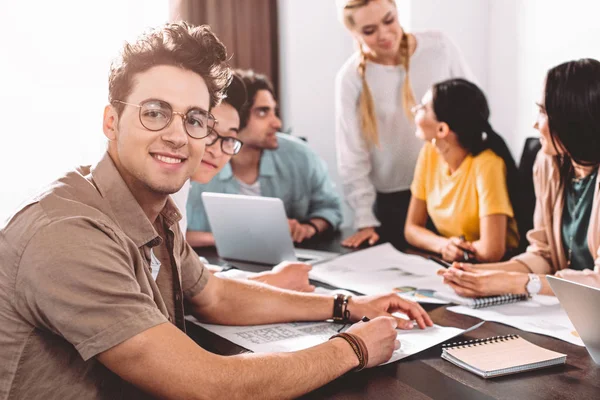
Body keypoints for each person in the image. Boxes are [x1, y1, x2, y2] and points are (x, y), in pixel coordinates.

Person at [0, 22, 434, 399]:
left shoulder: (155, 212)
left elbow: (216, 296)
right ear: (111, 122)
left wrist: (345, 305)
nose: (177, 135)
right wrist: (353, 349)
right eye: (154, 113)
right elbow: (208, 385)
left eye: (194, 119)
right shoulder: (67, 233)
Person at [439, 59, 600, 298]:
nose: (535, 123)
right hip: (566, 310)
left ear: (572, 118)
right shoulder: (548, 163)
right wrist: (480, 273)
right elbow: (543, 253)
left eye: (544, 112)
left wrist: (519, 283)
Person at [335, 0, 475, 249]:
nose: (384, 34)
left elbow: (473, 107)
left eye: (389, 20)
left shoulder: (439, 47)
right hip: (393, 201)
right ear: (354, 33)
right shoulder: (351, 79)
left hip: (451, 188)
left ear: (397, 12)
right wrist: (365, 219)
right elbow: (352, 156)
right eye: (370, 30)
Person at [173, 75, 315, 292]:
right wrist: (268, 283)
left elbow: (189, 273)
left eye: (228, 139)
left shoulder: (181, 186)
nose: (216, 150)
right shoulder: (171, 185)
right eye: (208, 132)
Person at [187, 69, 343, 246]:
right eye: (262, 112)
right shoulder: (196, 163)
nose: (277, 123)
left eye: (274, 112)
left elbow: (330, 208)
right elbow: (171, 233)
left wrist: (308, 227)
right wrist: (237, 239)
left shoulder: (300, 156)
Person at [405, 78, 521, 263]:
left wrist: (455, 250)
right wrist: (444, 246)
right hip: (455, 261)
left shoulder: (487, 165)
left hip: (496, 266)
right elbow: (411, 228)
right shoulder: (429, 153)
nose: (415, 111)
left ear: (442, 129)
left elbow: (492, 250)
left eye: (423, 108)